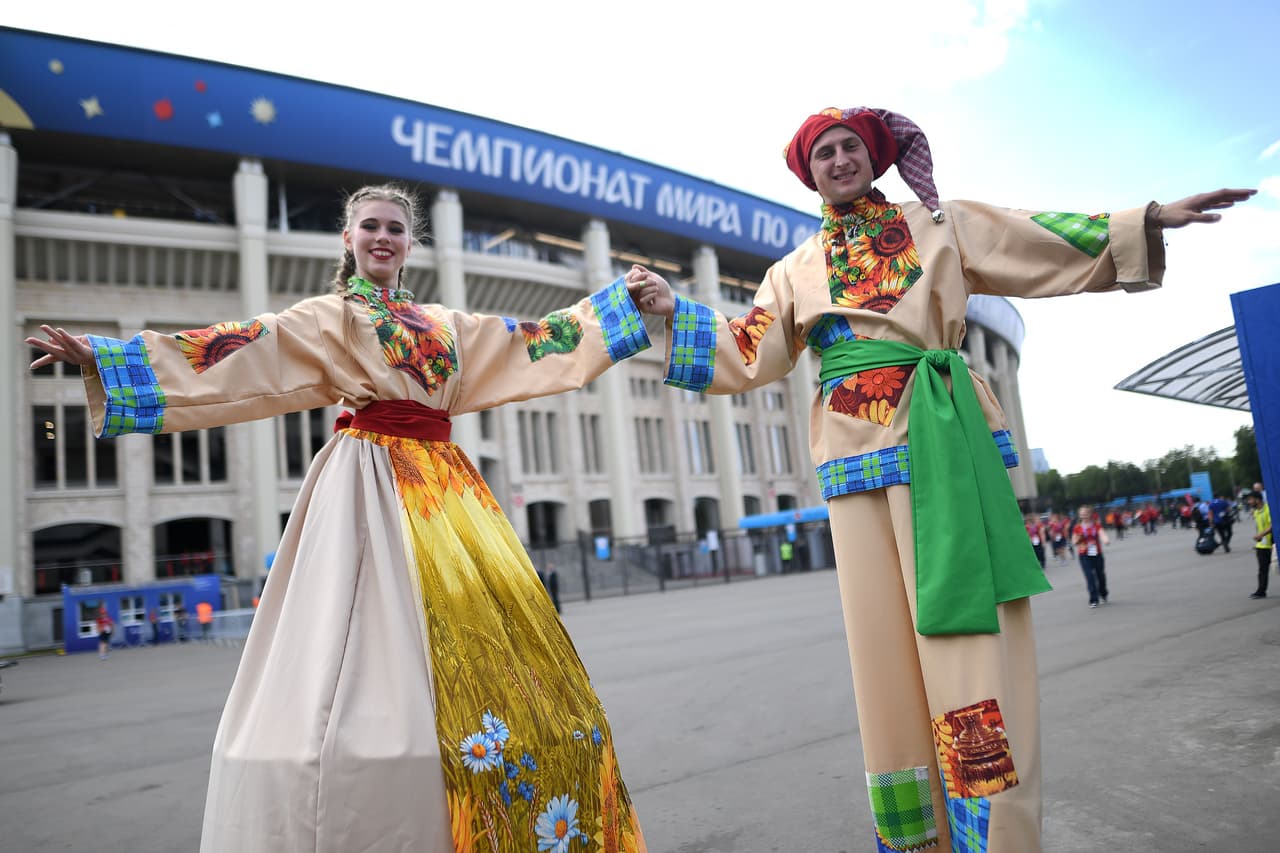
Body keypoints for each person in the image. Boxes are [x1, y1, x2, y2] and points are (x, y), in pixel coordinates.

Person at [625, 104, 1253, 852]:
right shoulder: (791, 269)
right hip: (853, 462)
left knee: (962, 635)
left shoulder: (939, 224)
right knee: (881, 654)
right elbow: (750, 348)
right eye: (822, 152)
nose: (837, 160)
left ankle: (992, 830)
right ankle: (918, 836)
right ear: (808, 172)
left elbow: (1034, 235)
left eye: (849, 146)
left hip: (940, 441)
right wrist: (672, 312)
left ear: (876, 157)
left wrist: (1145, 219)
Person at [27, 183, 652, 852]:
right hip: (369, 484)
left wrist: (613, 307)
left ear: (411, 244)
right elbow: (241, 349)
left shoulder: (448, 326)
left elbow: (534, 339)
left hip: (448, 494)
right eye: (369, 226)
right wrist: (108, 357)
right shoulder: (330, 318)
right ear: (347, 240)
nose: (382, 236)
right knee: (354, 649)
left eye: (395, 228)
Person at [1072, 505, 1111, 608]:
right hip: (1084, 555)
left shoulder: (1096, 525)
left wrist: (1105, 540)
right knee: (1090, 576)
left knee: (1100, 575)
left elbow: (1102, 534)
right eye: (1081, 514)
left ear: (1090, 514)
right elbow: (1074, 540)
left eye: (1085, 514)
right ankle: (1093, 599)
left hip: (1097, 554)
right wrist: (1077, 540)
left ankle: (1103, 593)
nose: (1083, 516)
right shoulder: (1077, 527)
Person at [1245, 491, 1273, 599]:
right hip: (1262, 546)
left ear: (1258, 499)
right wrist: (1259, 539)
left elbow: (1272, 526)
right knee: (1262, 570)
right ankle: (1261, 591)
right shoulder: (1256, 512)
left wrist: (1261, 534)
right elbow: (1259, 527)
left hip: (1272, 544)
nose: (1249, 502)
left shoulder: (1268, 509)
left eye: (1250, 499)